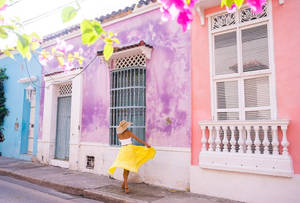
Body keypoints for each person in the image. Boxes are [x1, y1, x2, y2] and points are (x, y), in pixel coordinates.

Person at [108, 120, 156, 193]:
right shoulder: (128, 132)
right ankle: (126, 187)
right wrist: (146, 144)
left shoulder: (119, 134)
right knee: (128, 168)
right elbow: (138, 139)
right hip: (130, 150)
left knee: (126, 168)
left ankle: (124, 184)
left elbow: (120, 134)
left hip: (123, 150)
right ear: (125, 127)